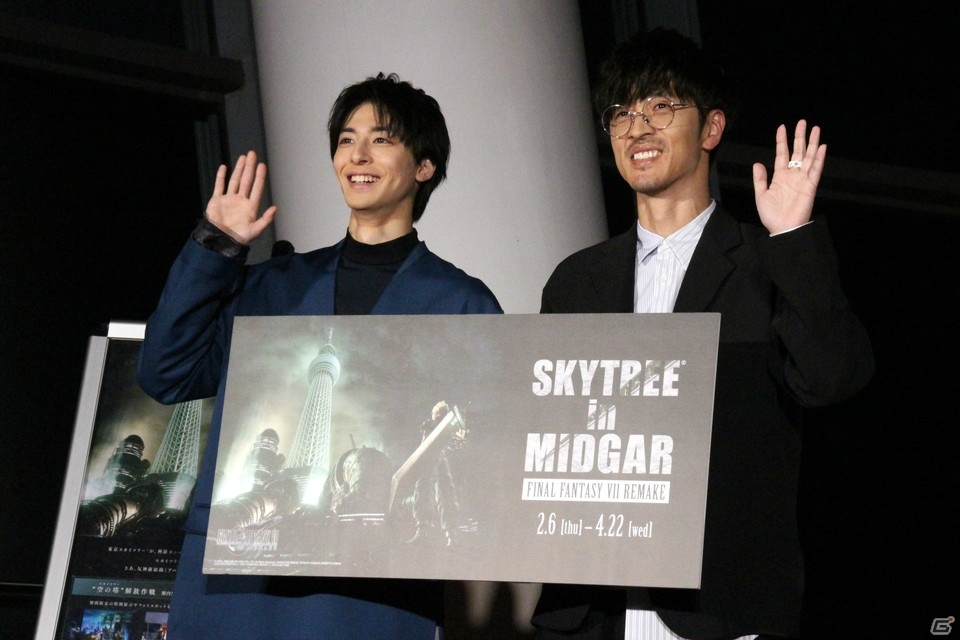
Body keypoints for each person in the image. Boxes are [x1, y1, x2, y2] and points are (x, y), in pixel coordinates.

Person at [531, 28, 874, 640]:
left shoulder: (764, 264)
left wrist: (792, 238)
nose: (638, 128)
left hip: (719, 607)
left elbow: (832, 378)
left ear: (712, 128)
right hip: (596, 607)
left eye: (661, 106)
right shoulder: (576, 281)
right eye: (621, 113)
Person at [137, 72, 502, 639]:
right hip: (239, 591)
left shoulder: (461, 304)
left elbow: (486, 455)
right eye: (346, 139)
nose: (358, 154)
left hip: (369, 593)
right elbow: (166, 373)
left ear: (424, 166)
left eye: (382, 139)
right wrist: (215, 247)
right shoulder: (272, 285)